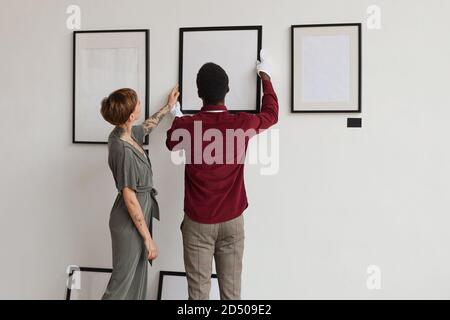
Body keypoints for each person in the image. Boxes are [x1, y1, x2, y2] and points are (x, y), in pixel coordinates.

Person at [166, 51, 278, 299]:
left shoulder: (187, 127)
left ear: (198, 93)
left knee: (198, 297)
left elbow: (171, 143)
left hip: (198, 224)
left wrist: (175, 113)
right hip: (232, 222)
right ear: (228, 90)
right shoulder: (242, 123)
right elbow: (271, 115)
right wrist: (265, 77)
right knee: (232, 295)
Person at [101, 86, 179, 300]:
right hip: (129, 220)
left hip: (138, 214)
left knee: (137, 279)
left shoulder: (124, 134)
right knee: (121, 283)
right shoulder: (122, 148)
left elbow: (146, 127)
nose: (140, 105)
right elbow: (129, 198)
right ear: (131, 115)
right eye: (138, 104)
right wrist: (148, 239)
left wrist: (168, 107)